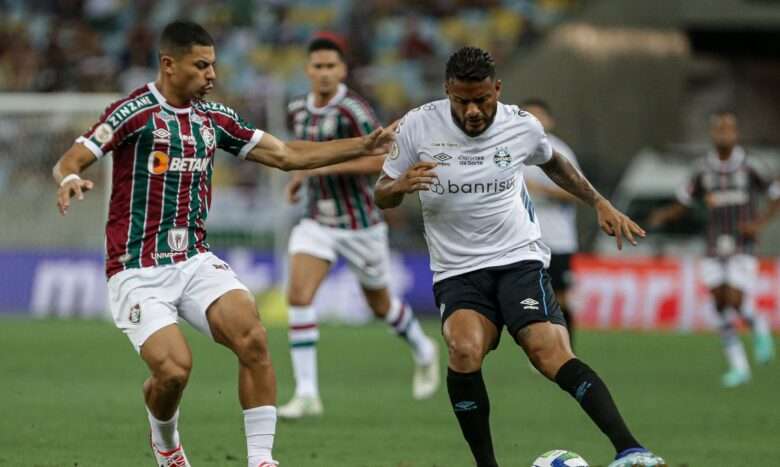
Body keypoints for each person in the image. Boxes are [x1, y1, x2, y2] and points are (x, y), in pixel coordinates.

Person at [52, 20, 394, 467]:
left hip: (192, 259)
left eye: (213, 65)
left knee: (252, 337)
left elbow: (286, 155)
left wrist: (361, 145)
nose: (212, 74)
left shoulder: (216, 118)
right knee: (173, 371)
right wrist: (72, 177)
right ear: (169, 65)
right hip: (136, 267)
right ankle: (167, 443)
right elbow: (72, 159)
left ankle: (261, 459)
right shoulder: (133, 112)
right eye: (202, 65)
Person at [374, 46, 665, 467]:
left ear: (497, 89)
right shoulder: (418, 126)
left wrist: (598, 201)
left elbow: (554, 163)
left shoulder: (521, 126)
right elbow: (381, 193)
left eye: (482, 99)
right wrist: (398, 186)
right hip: (458, 270)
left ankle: (632, 450)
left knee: (549, 352)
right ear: (447, 92)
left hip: (517, 258)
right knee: (463, 350)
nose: (472, 110)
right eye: (462, 101)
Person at [278, 37, 439, 419]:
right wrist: (302, 175)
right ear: (307, 70)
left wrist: (322, 168)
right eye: (317, 66)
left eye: (330, 66)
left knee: (380, 305)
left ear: (343, 70)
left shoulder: (354, 111)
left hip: (360, 224)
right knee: (299, 296)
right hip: (317, 221)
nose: (323, 73)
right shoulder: (297, 110)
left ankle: (423, 348)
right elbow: (300, 153)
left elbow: (383, 161)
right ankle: (307, 393)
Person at [649, 111, 779, 388]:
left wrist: (759, 224)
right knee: (720, 303)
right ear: (712, 134)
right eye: (718, 129)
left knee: (733, 297)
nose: (723, 134)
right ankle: (739, 367)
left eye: (728, 129)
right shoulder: (702, 169)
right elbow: (684, 200)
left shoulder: (750, 166)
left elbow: (775, 195)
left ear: (736, 134)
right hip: (713, 243)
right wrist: (663, 215)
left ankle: (758, 326)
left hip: (743, 243)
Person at [521, 98, 580, 348]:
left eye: (539, 116)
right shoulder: (511, 152)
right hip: (524, 239)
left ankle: (567, 348)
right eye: (527, 116)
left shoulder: (560, 151)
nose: (534, 122)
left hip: (557, 238)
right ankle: (542, 349)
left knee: (561, 297)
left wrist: (542, 190)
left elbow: (577, 191)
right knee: (531, 299)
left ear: (549, 120)